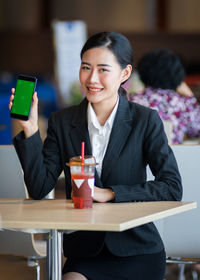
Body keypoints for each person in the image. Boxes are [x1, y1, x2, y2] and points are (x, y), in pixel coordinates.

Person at [9, 32, 182, 280]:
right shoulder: (62, 121)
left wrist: (110, 193)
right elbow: (38, 187)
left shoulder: (145, 120)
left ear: (124, 74)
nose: (92, 79)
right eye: (86, 68)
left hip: (137, 249)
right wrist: (31, 130)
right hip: (85, 252)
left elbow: (172, 186)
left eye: (103, 69)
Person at [129, 48, 200, 144]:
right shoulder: (185, 104)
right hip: (175, 157)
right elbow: (196, 130)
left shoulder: (132, 100)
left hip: (137, 157)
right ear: (178, 74)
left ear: (143, 72)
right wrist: (190, 97)